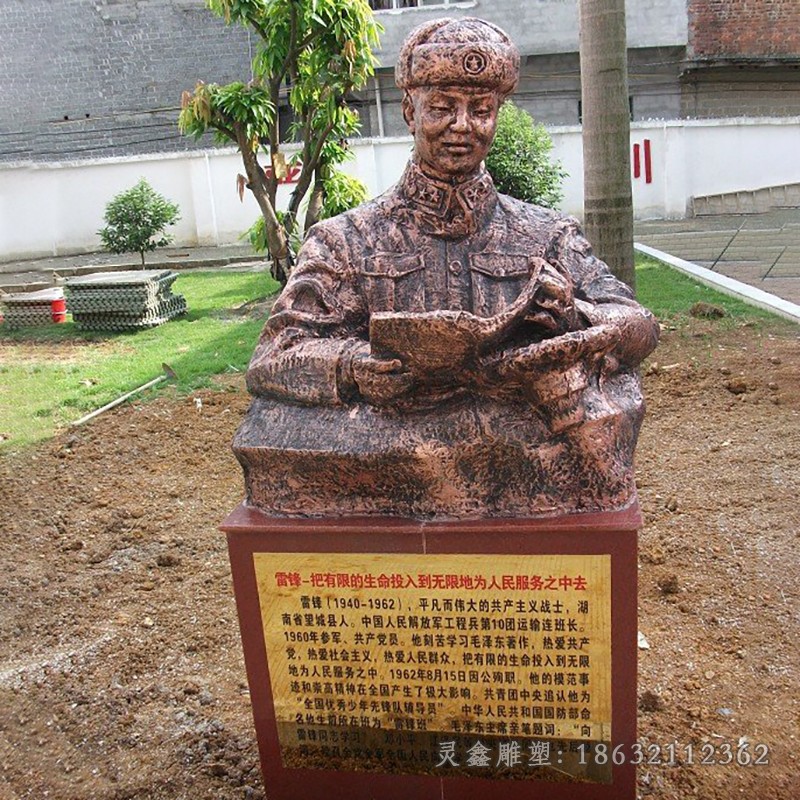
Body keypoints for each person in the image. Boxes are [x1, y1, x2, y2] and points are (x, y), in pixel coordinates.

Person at [236, 17, 659, 518]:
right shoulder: (345, 240)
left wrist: (576, 315)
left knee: (604, 416)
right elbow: (273, 356)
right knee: (276, 430)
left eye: (481, 110)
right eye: (442, 108)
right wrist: (352, 366)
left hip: (521, 429)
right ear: (409, 113)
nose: (462, 126)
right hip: (388, 432)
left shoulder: (545, 235)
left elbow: (639, 327)